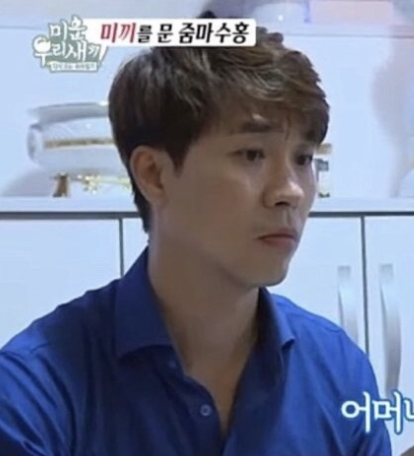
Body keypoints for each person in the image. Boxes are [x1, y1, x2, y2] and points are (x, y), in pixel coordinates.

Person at [0, 28, 390, 456]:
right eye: (252, 154)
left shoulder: (340, 372)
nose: (291, 191)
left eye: (303, 158)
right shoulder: (34, 390)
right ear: (154, 174)